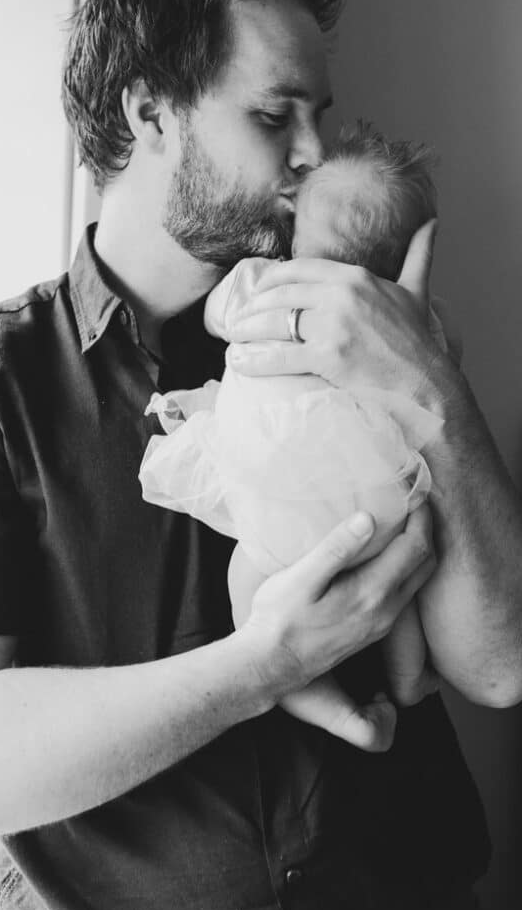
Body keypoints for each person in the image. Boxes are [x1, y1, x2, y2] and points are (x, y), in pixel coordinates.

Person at [0, 0, 522, 910]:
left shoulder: (358, 322)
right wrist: (264, 664)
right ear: (151, 113)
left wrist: (430, 381)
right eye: (273, 114)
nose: (313, 153)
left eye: (319, 116)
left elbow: (505, 665)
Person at [141, 126, 448, 752]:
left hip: (277, 509)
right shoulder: (399, 317)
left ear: (299, 232)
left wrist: (230, 314)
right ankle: (409, 677)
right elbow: (435, 368)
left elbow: (211, 314)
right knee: (403, 577)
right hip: (374, 500)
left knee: (249, 598)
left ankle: (341, 716)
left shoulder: (263, 280)